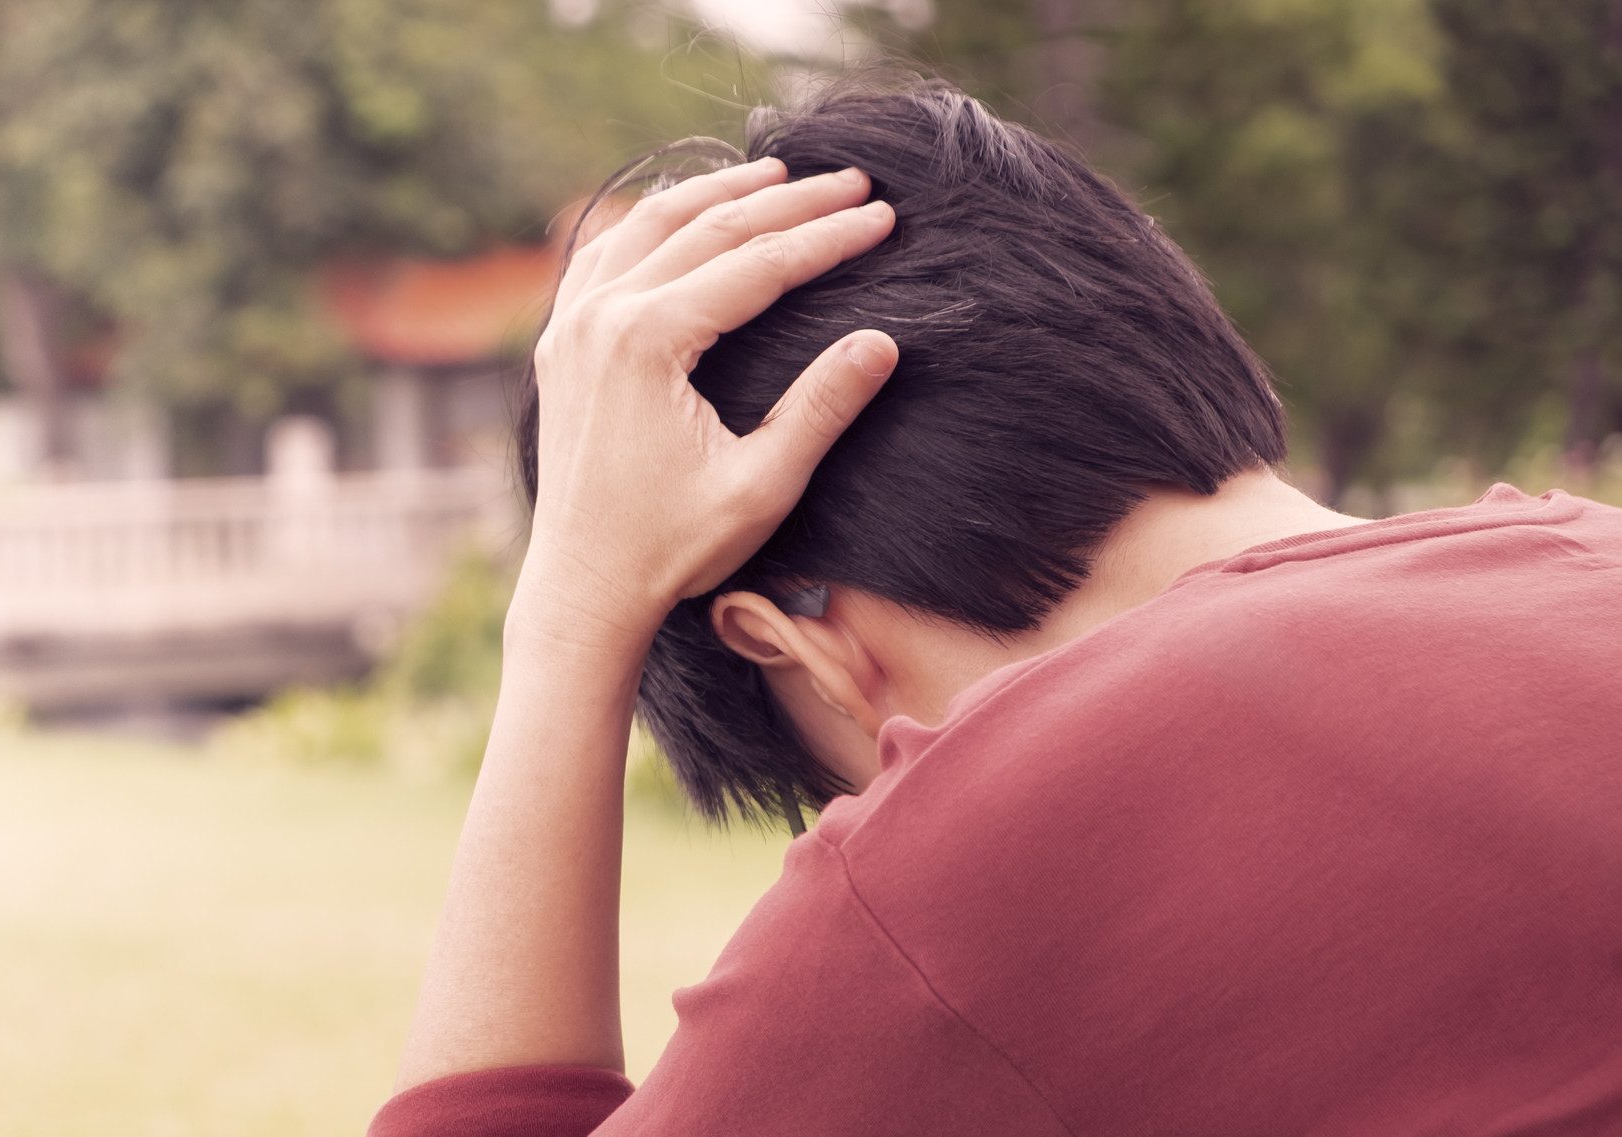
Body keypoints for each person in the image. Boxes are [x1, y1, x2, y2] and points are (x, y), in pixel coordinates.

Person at [369, 77, 1622, 1136]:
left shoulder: (989, 843)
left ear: (789, 645)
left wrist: (571, 622)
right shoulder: (1593, 567)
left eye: (847, 789)